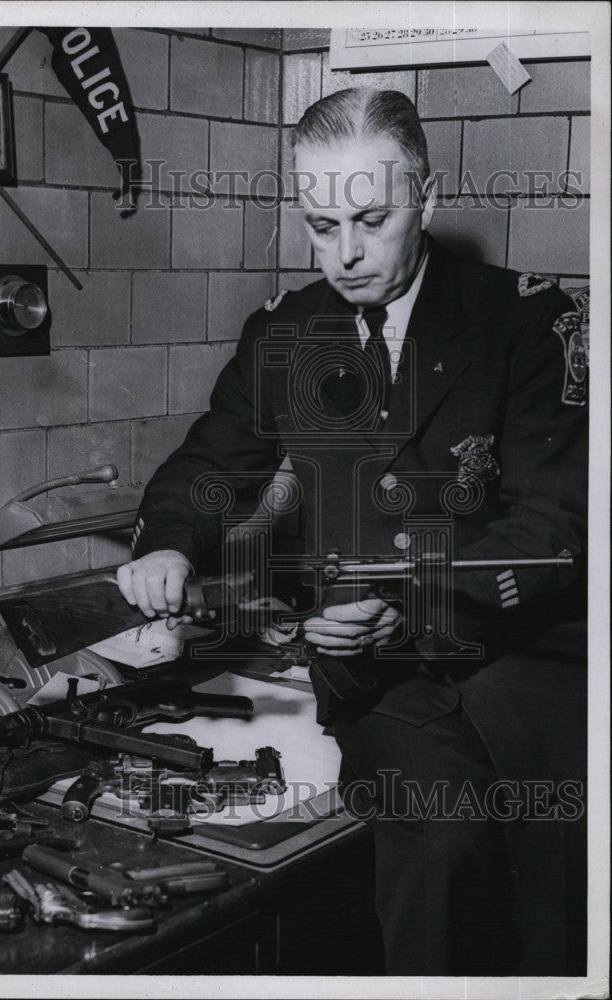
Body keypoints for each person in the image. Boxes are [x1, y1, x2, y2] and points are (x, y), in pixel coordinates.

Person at [116, 88, 588, 976]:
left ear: (429, 197)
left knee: (559, 900)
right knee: (440, 856)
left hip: (529, 665)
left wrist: (404, 603)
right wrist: (170, 543)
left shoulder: (526, 320)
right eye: (320, 223)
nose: (345, 254)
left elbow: (555, 529)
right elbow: (210, 465)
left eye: (371, 220)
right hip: (384, 681)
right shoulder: (287, 334)